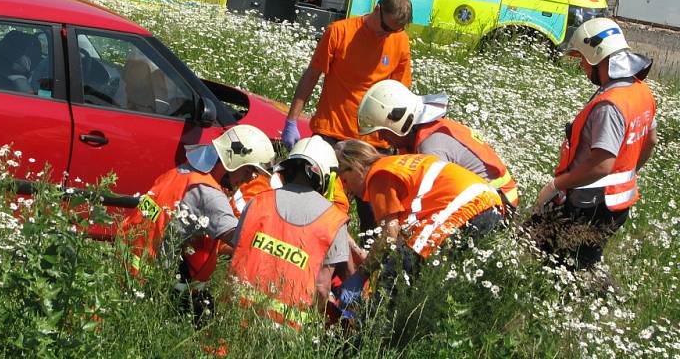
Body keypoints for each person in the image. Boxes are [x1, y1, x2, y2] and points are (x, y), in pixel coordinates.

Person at [532, 18, 657, 270]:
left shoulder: (609, 106)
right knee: (584, 262)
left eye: (583, 59)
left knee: (544, 256)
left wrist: (555, 185)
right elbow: (650, 141)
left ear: (598, 57)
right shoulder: (640, 91)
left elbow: (601, 166)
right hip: (618, 205)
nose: (581, 66)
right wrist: (626, 173)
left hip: (589, 203)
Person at [283, 0, 413, 230]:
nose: (390, 34)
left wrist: (402, 142)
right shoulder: (340, 32)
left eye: (396, 31)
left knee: (375, 220)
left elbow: (399, 94)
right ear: (377, 10)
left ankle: (368, 264)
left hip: (374, 144)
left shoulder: (400, 40)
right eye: (387, 27)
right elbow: (312, 75)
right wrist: (292, 121)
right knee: (318, 208)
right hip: (332, 135)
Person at [333, 139, 503, 307]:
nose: (348, 188)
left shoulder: (378, 175)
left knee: (397, 274)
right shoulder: (395, 164)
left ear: (355, 167)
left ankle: (373, 326)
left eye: (345, 180)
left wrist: (361, 275)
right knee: (437, 278)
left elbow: (389, 235)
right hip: (487, 201)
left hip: (464, 204)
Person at [119, 124, 275, 284]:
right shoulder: (209, 195)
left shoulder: (183, 172)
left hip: (123, 261)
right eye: (248, 171)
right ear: (232, 161)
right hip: (147, 280)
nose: (249, 179)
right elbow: (242, 239)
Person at [228, 136, 349, 329]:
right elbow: (322, 288)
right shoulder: (334, 221)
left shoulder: (257, 203)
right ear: (328, 177)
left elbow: (237, 253)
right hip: (287, 333)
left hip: (233, 319)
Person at [357, 79, 519, 208]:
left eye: (384, 131)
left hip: (498, 203)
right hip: (487, 199)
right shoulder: (425, 135)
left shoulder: (431, 146)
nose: (381, 137)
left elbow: (432, 197)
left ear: (400, 122)